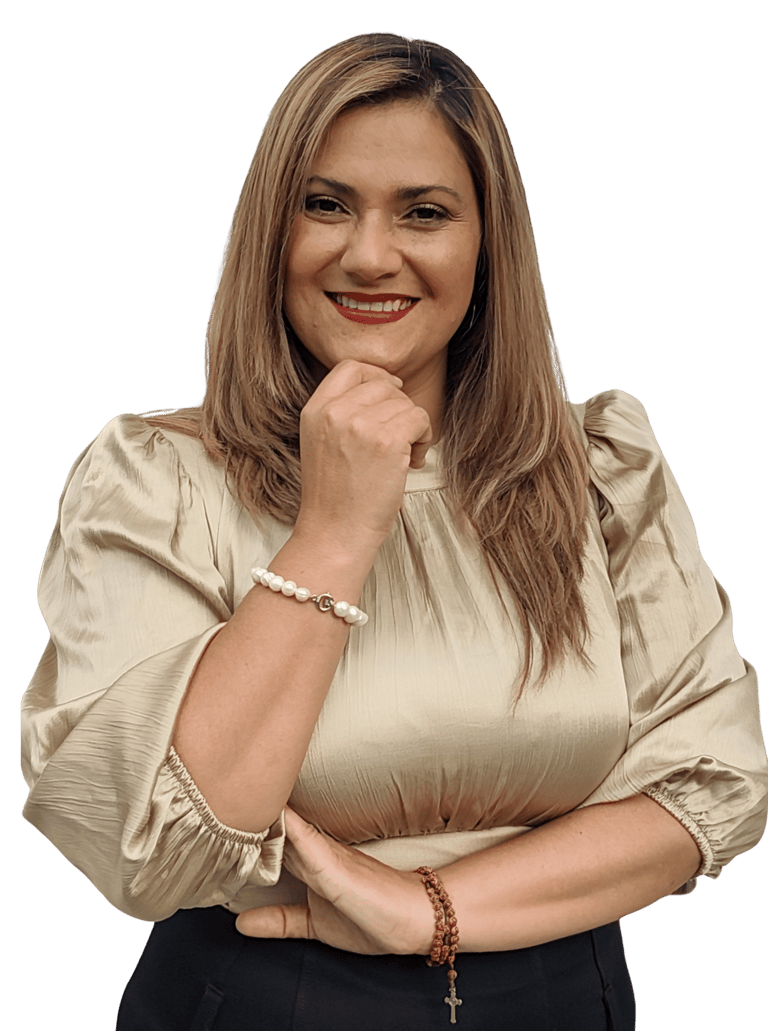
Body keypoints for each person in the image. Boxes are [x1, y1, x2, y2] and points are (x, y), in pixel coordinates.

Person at [19, 31, 768, 1031]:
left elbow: (710, 787)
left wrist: (426, 909)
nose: (370, 254)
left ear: (487, 246)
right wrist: (334, 528)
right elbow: (149, 849)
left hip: (568, 997)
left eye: (424, 212)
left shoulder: (602, 471)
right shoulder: (155, 478)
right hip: (264, 996)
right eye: (325, 204)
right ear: (271, 232)